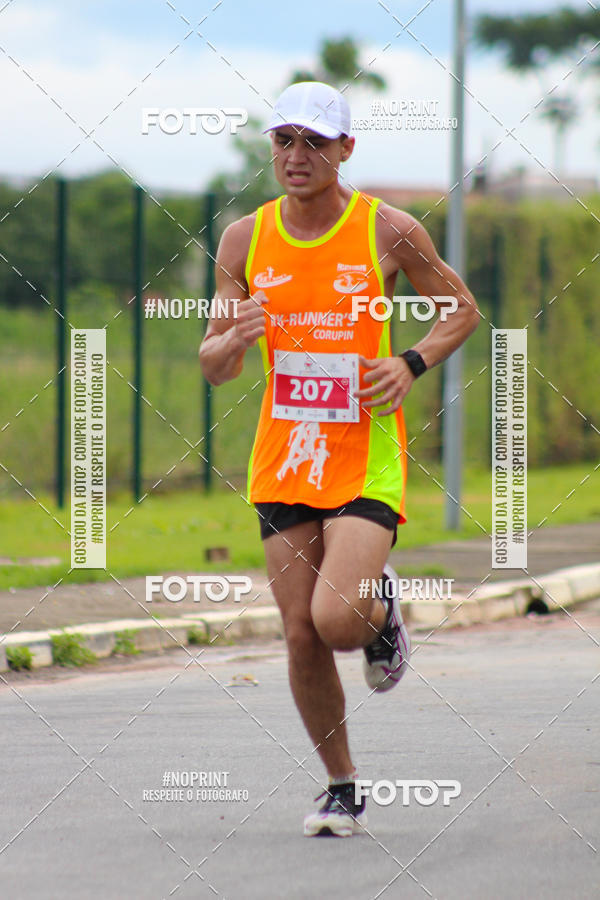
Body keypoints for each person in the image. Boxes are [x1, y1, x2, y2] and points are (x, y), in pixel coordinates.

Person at [199, 81, 479, 837]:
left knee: (337, 622)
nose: (298, 155)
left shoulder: (387, 230)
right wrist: (229, 341)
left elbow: (461, 309)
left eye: (316, 142)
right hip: (284, 458)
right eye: (286, 140)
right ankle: (342, 786)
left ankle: (380, 615)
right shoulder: (242, 240)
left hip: (363, 457)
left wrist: (411, 363)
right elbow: (215, 364)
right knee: (297, 633)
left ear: (346, 150)